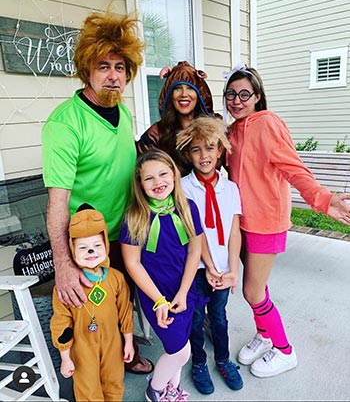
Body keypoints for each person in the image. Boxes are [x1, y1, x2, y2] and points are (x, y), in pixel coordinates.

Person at [42, 8, 153, 374]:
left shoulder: (123, 113)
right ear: (86, 68)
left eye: (120, 67)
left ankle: (128, 350)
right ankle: (91, 377)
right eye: (104, 66)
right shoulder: (65, 123)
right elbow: (56, 202)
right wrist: (63, 263)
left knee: (123, 299)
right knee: (91, 313)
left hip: (123, 234)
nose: (113, 76)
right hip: (85, 241)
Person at [222, 62, 350, 378]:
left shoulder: (268, 123)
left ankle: (284, 350)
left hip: (266, 222)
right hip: (242, 223)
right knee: (258, 289)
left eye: (244, 94)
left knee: (252, 291)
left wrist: (323, 198)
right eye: (230, 94)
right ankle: (264, 335)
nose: (236, 100)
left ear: (257, 97)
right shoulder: (233, 130)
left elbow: (293, 168)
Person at [119, 149, 203, 401]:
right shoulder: (135, 216)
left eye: (163, 174)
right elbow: (133, 263)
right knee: (180, 351)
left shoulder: (187, 208)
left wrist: (184, 292)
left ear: (175, 175)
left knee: (179, 344)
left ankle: (171, 390)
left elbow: (194, 251)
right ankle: (154, 389)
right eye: (149, 178)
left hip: (184, 290)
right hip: (156, 294)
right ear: (140, 184)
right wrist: (159, 300)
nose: (158, 182)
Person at [177, 116, 243, 395]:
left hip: (224, 270)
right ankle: (199, 363)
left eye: (210, 148)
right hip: (197, 269)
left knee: (219, 316)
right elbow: (194, 232)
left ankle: (223, 360)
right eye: (196, 149)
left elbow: (234, 231)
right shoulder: (182, 186)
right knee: (194, 317)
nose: (204, 155)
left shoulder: (231, 189)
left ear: (220, 151)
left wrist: (232, 270)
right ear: (188, 154)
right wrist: (209, 267)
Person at [51, 206, 134, 401]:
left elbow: (125, 311)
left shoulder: (116, 278)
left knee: (114, 381)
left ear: (106, 245)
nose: (91, 251)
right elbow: (61, 322)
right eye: (82, 247)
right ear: (72, 250)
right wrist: (65, 357)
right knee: (87, 388)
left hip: (113, 343)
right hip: (82, 347)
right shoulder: (67, 286)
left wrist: (128, 342)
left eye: (97, 245)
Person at [136, 61, 215, 176]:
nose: (183, 94)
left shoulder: (214, 128)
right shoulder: (158, 132)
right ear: (169, 94)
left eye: (190, 88)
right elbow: (138, 165)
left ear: (199, 94)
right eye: (177, 88)